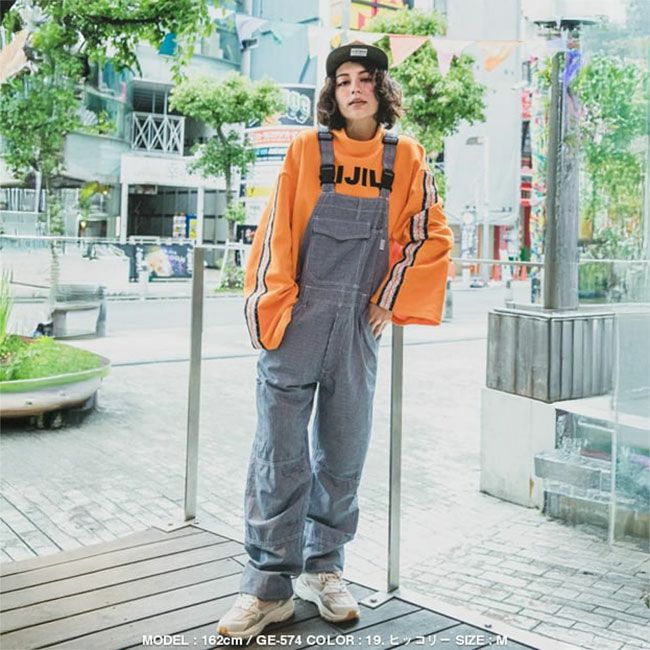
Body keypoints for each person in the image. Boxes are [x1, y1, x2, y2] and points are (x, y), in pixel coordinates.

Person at [217, 41, 454, 638]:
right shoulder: (305, 149)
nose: (354, 88)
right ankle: (266, 588)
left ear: (381, 89)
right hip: (297, 320)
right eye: (344, 79)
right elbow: (276, 231)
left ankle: (323, 569)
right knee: (278, 455)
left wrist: (389, 296)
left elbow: (431, 234)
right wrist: (273, 310)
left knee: (344, 453)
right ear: (332, 93)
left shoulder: (407, 158)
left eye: (365, 78)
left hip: (356, 327)